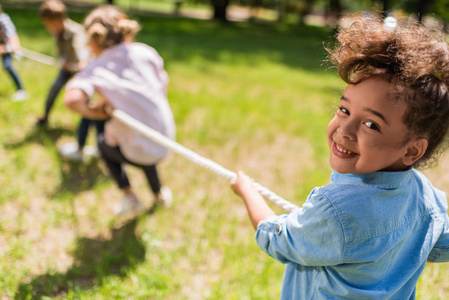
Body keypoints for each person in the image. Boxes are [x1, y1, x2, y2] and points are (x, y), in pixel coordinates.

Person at [231, 15, 449, 299]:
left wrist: (247, 191)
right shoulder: (427, 198)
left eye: (372, 125)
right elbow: (441, 246)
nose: (344, 130)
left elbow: (280, 240)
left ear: (411, 150)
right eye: (344, 110)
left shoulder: (337, 212)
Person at [64, 5, 175, 214]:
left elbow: (72, 101)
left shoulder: (96, 66)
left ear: (92, 40)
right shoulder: (146, 51)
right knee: (141, 139)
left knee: (104, 144)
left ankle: (129, 197)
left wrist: (96, 112)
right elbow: (163, 85)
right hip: (165, 140)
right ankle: (159, 193)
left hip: (141, 148)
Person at [38, 0, 104, 161]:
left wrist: (81, 61)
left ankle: (96, 135)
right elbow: (61, 50)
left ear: (58, 21)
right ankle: (45, 116)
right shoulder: (57, 33)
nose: (49, 28)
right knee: (54, 88)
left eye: (50, 25)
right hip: (67, 69)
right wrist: (63, 59)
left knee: (86, 105)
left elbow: (81, 48)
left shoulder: (76, 32)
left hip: (81, 72)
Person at [0, 4, 28, 101]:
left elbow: (12, 35)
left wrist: (14, 46)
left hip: (6, 46)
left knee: (7, 66)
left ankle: (21, 90)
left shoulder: (3, 20)